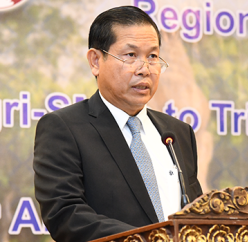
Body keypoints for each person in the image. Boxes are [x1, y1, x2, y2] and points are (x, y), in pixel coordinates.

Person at [33, 5, 203, 242]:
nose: (144, 69)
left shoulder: (177, 133)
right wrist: (151, 239)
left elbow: (195, 213)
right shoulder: (64, 128)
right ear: (95, 60)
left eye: (152, 56)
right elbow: (66, 216)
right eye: (130, 55)